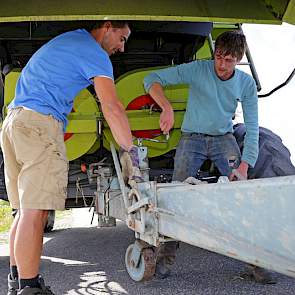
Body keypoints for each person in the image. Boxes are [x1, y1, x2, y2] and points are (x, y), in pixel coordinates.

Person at [1, 21, 141, 295]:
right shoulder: (93, 52)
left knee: (24, 210)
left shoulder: (69, 41)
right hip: (40, 123)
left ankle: (19, 282)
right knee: (36, 210)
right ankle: (30, 289)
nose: (122, 48)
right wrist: (131, 150)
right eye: (122, 38)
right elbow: (111, 106)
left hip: (15, 122)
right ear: (108, 26)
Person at [144, 30, 274, 283]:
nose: (222, 65)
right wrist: (166, 107)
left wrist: (245, 165)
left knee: (242, 196)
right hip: (191, 138)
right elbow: (151, 79)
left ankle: (257, 263)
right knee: (176, 198)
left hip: (223, 139)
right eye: (219, 58)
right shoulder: (198, 69)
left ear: (238, 59)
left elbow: (253, 127)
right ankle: (164, 261)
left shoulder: (246, 84)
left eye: (229, 60)